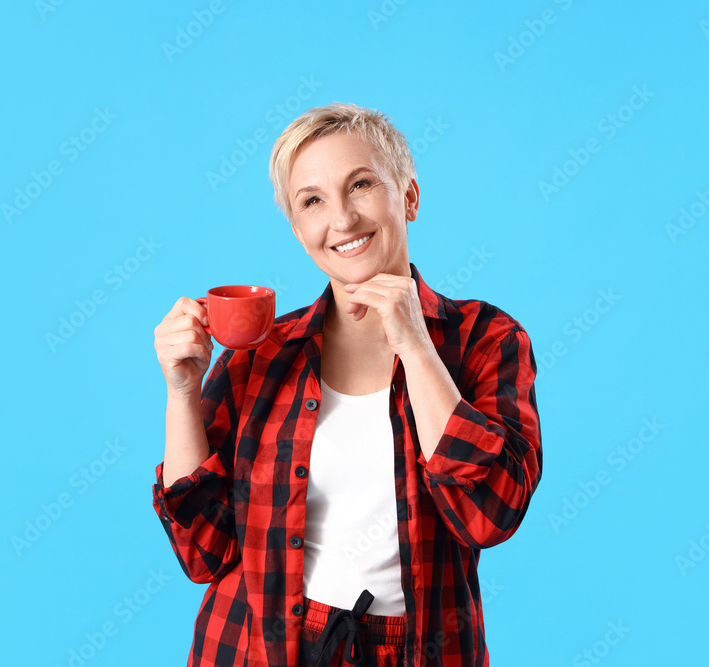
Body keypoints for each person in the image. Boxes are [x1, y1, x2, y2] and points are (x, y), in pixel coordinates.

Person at [152, 102, 543, 667]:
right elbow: (202, 551)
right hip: (254, 647)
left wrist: (414, 344)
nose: (341, 219)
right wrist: (183, 393)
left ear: (408, 196)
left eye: (360, 185)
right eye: (312, 200)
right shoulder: (261, 354)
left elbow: (489, 514)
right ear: (297, 228)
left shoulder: (487, 339)